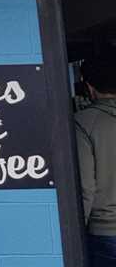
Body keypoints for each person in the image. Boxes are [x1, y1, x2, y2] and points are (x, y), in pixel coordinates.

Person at [77, 56, 116, 266]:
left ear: (90, 87)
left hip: (107, 231)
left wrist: (73, 235)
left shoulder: (83, 123)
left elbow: (85, 187)